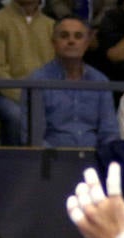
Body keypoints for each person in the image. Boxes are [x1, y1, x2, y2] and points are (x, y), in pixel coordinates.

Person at [29, 16, 119, 148]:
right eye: (64, 36)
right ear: (53, 42)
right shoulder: (37, 81)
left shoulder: (100, 81)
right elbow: (34, 137)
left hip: (94, 159)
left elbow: (109, 133)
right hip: (51, 160)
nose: (71, 41)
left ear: (87, 43)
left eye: (78, 36)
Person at [0, 0, 53, 146]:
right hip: (1, 95)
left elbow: (56, 70)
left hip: (43, 96)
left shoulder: (52, 26)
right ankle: (12, 166)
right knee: (16, 115)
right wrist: (27, 99)